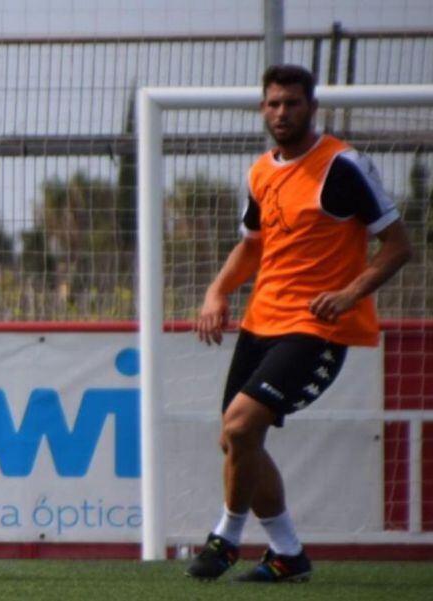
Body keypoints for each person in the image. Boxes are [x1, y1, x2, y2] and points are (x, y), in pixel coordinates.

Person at [186, 65, 411, 583]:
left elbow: (399, 245)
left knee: (241, 426)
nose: (281, 113)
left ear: (312, 107)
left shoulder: (342, 166)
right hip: (261, 321)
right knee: (236, 441)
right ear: (262, 109)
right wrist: (217, 292)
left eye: (291, 103)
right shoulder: (261, 171)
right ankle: (288, 554)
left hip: (317, 328)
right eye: (273, 104)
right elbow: (253, 245)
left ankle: (225, 538)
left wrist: (350, 293)